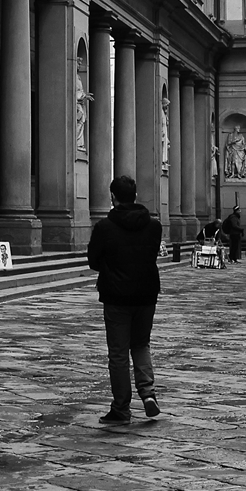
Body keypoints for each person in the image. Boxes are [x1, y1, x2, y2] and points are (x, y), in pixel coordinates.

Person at [86, 175, 163, 424]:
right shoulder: (154, 226)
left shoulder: (104, 228)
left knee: (118, 353)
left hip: (116, 296)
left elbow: (93, 261)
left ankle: (121, 408)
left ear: (113, 197)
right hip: (146, 295)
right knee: (141, 345)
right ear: (135, 196)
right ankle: (148, 393)